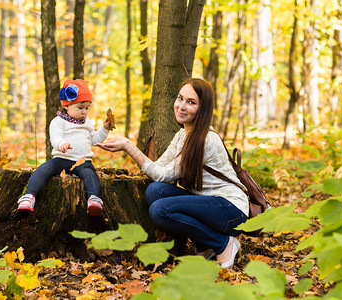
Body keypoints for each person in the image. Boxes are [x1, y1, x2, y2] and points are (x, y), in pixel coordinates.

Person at [96, 78, 249, 268]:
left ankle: (223, 243)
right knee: (155, 191)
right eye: (180, 98)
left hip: (230, 209)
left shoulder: (204, 140)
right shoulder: (183, 134)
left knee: (160, 210)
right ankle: (206, 245)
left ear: (203, 108)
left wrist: (128, 146)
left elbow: (163, 175)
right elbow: (159, 168)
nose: (182, 106)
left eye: (191, 102)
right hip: (208, 203)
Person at [17, 78, 111, 216]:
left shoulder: (87, 122)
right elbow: (55, 137)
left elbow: (94, 140)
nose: (84, 112)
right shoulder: (58, 121)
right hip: (62, 159)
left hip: (83, 161)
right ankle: (29, 196)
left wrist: (104, 129)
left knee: (90, 175)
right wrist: (61, 144)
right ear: (66, 106)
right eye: (80, 108)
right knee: (44, 169)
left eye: (87, 108)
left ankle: (94, 199)